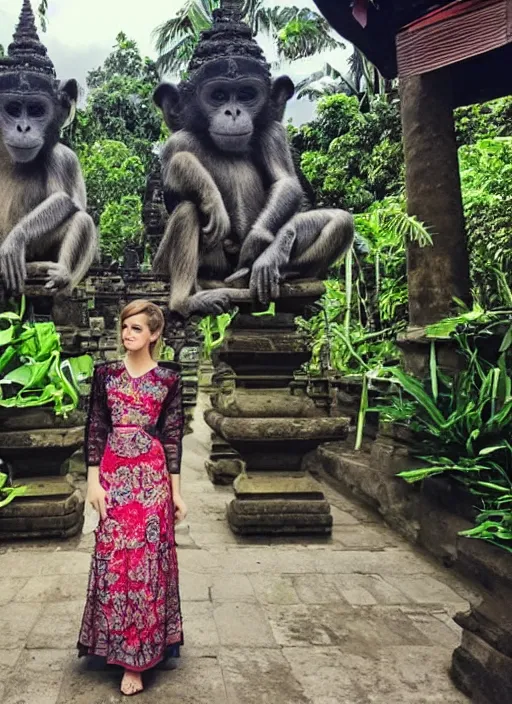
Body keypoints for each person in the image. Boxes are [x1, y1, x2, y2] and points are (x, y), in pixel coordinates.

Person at [77, 299, 187, 696]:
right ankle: (110, 644)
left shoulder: (169, 381)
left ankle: (138, 661)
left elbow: (173, 439)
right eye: (125, 326)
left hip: (152, 478)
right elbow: (95, 429)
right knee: (113, 560)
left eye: (137, 328)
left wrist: (176, 493)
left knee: (145, 564)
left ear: (154, 334)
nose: (127, 334)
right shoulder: (105, 376)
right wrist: (93, 483)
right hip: (113, 475)